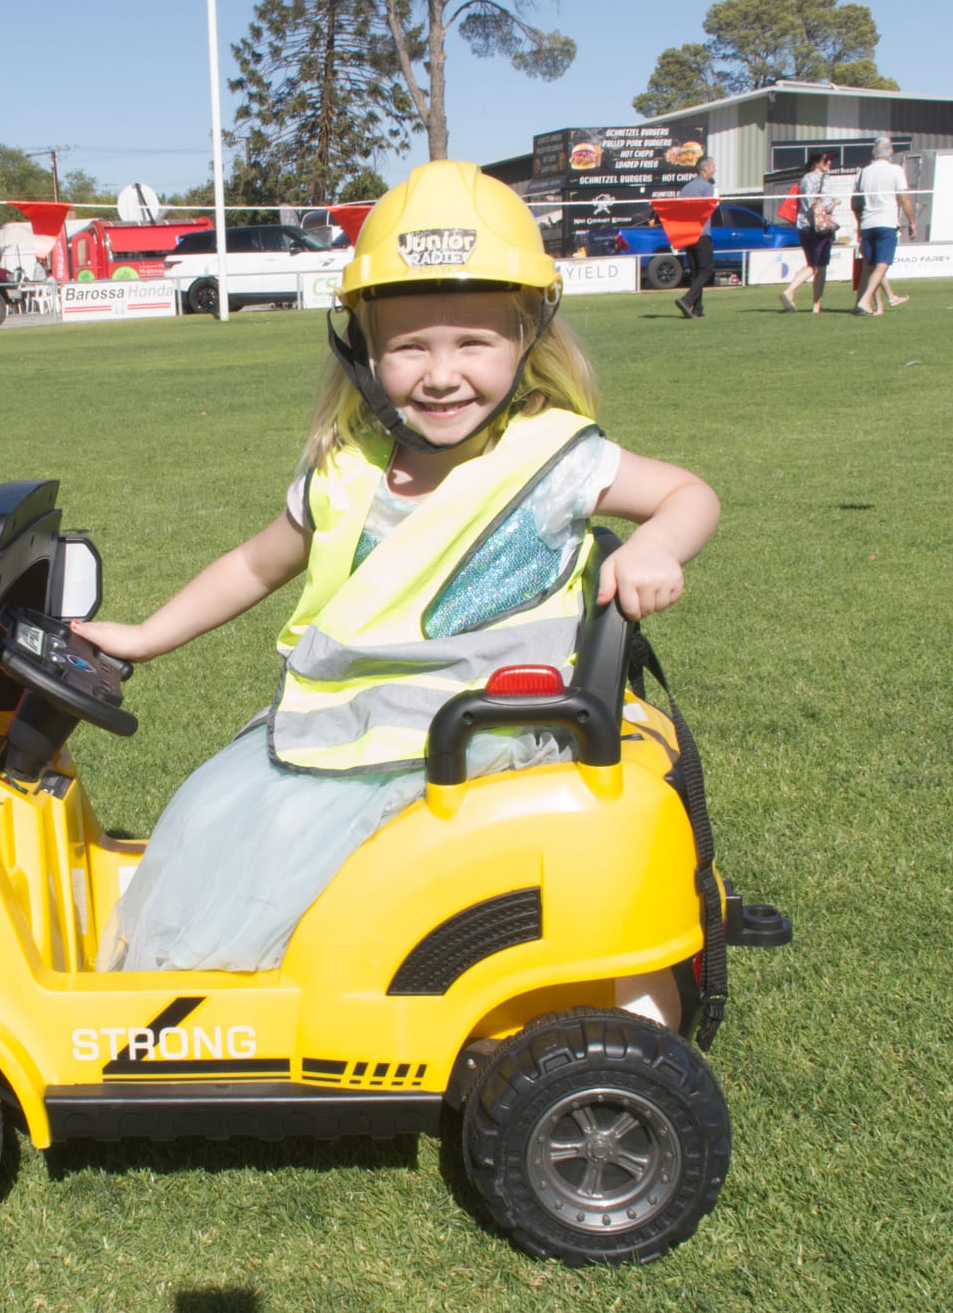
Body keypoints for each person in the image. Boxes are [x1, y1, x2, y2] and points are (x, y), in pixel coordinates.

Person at [75, 161, 720, 995]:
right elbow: (253, 563)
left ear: (528, 337)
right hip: (342, 742)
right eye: (409, 345)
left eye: (474, 342)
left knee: (300, 880)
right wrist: (143, 636)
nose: (441, 372)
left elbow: (687, 493)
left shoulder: (556, 456)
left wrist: (656, 545)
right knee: (229, 861)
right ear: (364, 349)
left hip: (483, 745)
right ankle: (245, 1009)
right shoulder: (346, 469)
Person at [850, 137, 915, 317]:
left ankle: (878, 306)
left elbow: (855, 203)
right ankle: (865, 300)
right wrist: (912, 221)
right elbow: (904, 198)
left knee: (872, 266)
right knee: (883, 264)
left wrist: (859, 224)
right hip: (886, 222)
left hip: (867, 224)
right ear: (891, 152)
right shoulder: (895, 170)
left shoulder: (862, 173)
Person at [780, 151, 836, 314]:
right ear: (816, 162)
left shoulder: (804, 179)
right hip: (819, 226)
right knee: (820, 267)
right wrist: (835, 204)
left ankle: (790, 290)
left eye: (831, 160)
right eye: (826, 160)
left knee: (812, 265)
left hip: (803, 226)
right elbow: (823, 205)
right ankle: (816, 305)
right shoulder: (823, 179)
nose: (829, 163)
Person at [674, 156, 718, 319]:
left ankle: (697, 309)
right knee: (706, 269)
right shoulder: (707, 187)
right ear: (705, 169)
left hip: (687, 234)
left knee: (695, 272)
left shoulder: (685, 188)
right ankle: (687, 300)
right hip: (701, 233)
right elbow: (707, 210)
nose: (714, 169)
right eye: (713, 166)